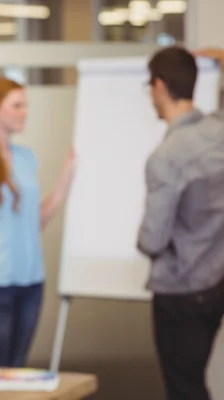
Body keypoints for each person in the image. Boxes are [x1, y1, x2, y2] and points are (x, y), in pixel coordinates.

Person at [0, 77, 75, 367]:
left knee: (17, 370)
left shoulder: (26, 158)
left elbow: (34, 222)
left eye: (25, 106)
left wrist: (66, 179)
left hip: (31, 281)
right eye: (17, 105)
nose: (24, 112)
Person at [137, 45, 224, 400]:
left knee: (183, 389)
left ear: (159, 87)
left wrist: (142, 239)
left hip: (180, 292)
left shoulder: (166, 157)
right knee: (194, 382)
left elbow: (152, 240)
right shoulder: (218, 132)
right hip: (216, 283)